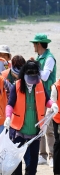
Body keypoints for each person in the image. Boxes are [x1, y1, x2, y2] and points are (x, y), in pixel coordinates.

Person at [4, 60, 58, 175]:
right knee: (16, 156)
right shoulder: (17, 85)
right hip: (19, 128)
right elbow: (10, 104)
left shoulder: (40, 85)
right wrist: (7, 117)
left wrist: (53, 104)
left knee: (34, 156)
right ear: (24, 75)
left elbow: (46, 100)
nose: (32, 81)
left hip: (35, 129)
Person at [30, 33, 56, 167]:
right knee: (40, 125)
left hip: (49, 96)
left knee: (49, 127)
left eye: (34, 44)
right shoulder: (39, 57)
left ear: (39, 45)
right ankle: (42, 155)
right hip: (39, 94)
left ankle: (52, 156)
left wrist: (33, 68)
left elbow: (45, 76)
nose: (33, 46)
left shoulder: (49, 58)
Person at [50, 79, 60, 175]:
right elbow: (52, 104)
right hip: (58, 119)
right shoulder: (56, 87)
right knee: (58, 143)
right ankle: (57, 172)